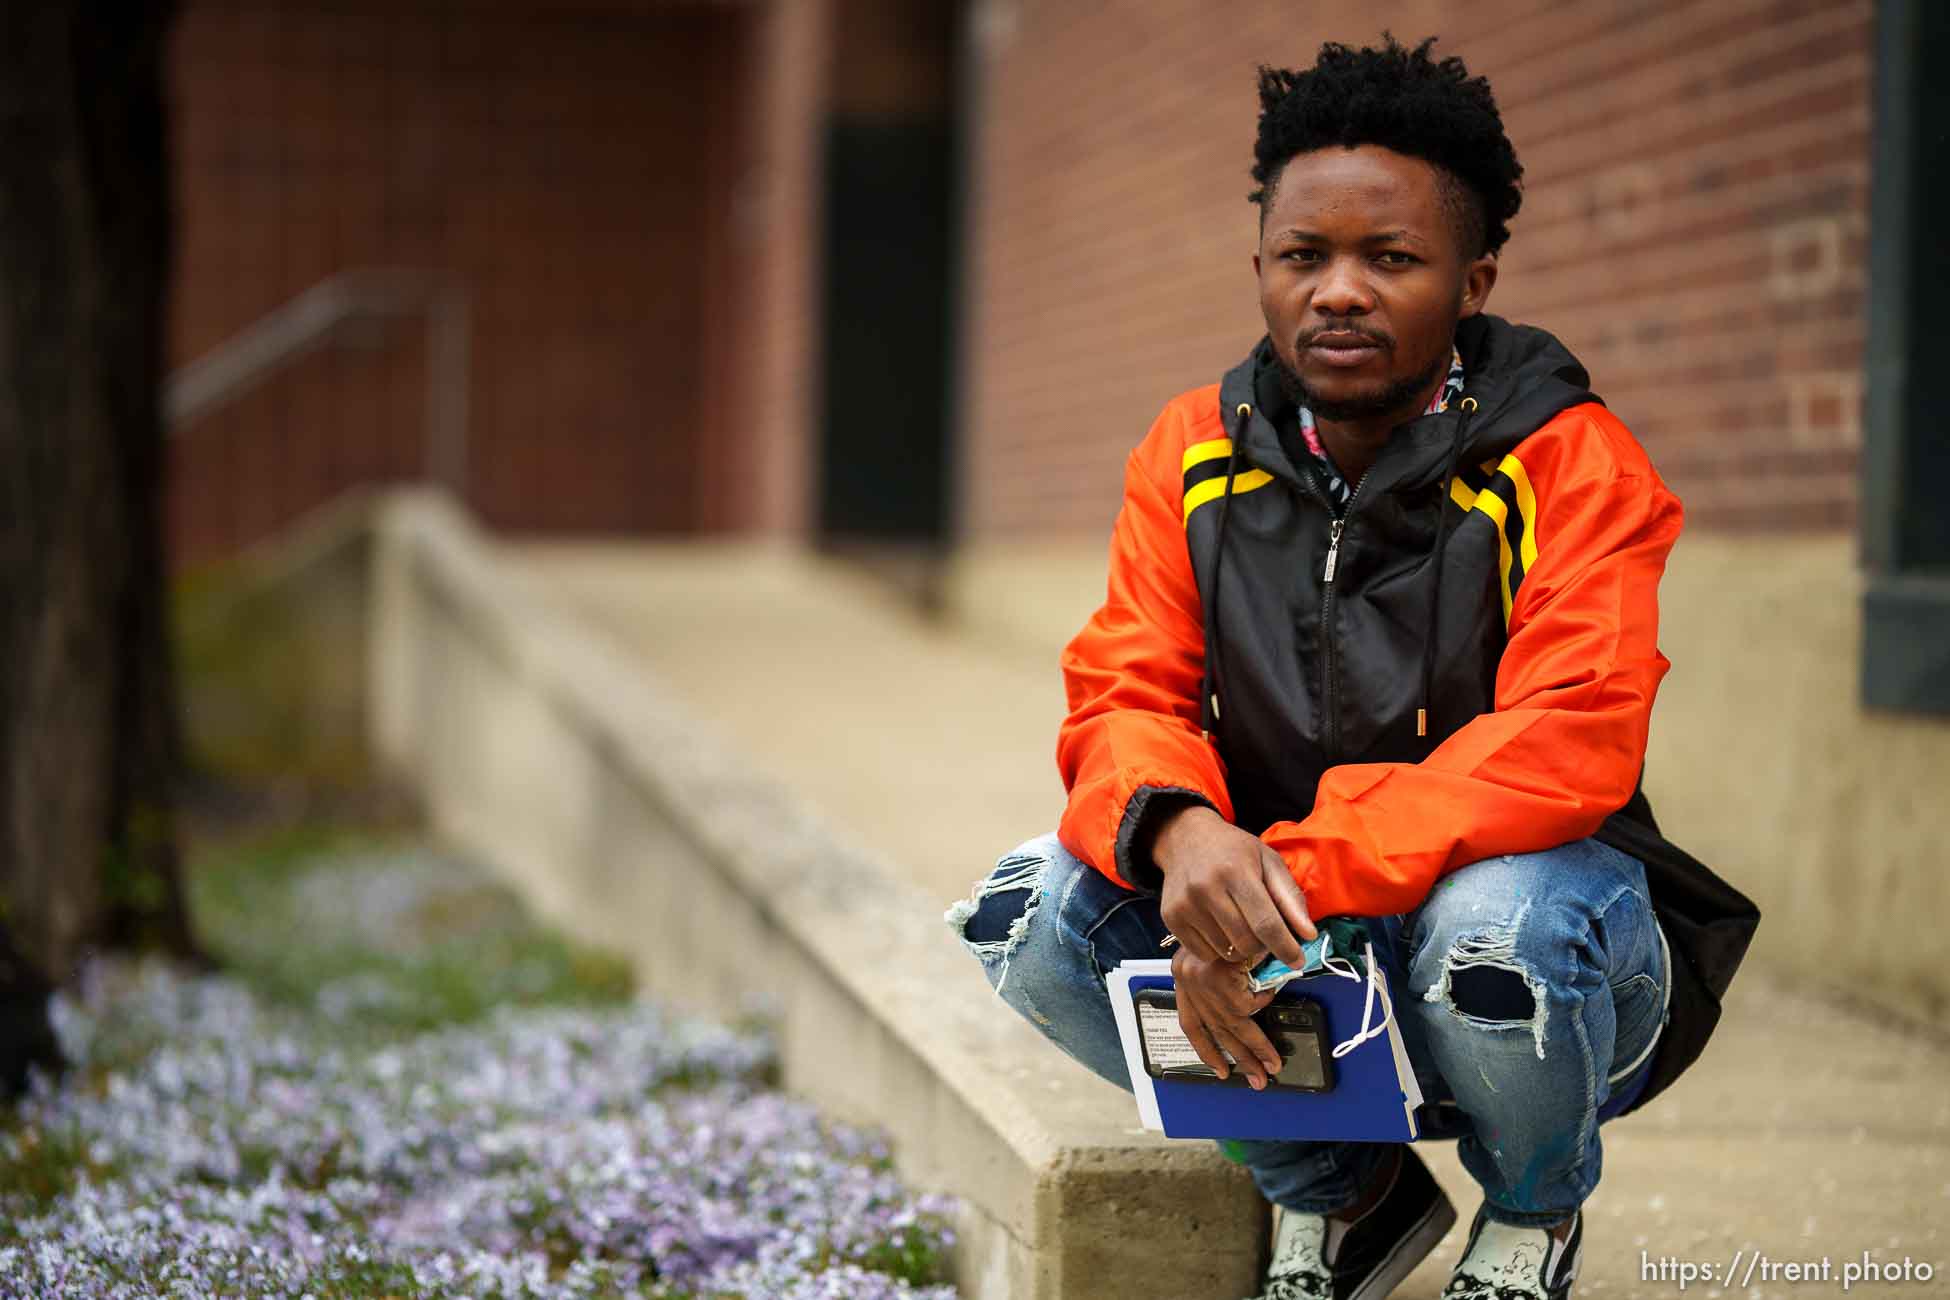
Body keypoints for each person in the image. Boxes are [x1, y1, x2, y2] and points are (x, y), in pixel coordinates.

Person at [947, 35, 1756, 1300]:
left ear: (1473, 278)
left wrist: (1274, 877)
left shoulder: (1568, 457)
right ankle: (1347, 1193)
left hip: (1530, 941)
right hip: (1296, 950)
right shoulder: (1191, 448)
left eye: (1391, 258)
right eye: (1302, 256)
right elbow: (1125, 692)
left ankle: (1534, 1214)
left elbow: (1571, 735)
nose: (1338, 292)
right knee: (1028, 915)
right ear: (1260, 268)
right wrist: (1179, 833)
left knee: (1495, 938)